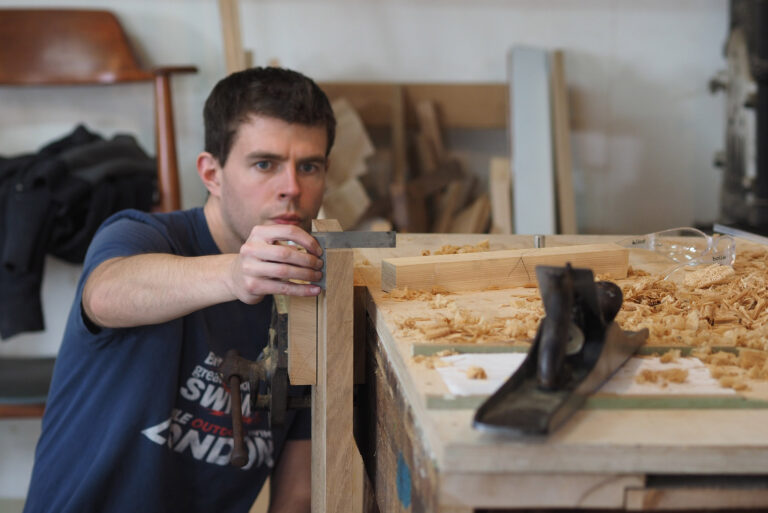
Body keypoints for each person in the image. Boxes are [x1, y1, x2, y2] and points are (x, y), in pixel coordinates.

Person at [23, 67, 336, 513]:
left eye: (309, 166)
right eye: (264, 164)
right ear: (211, 174)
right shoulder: (140, 235)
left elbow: (298, 493)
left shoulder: (310, 303)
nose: (292, 188)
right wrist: (234, 275)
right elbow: (105, 294)